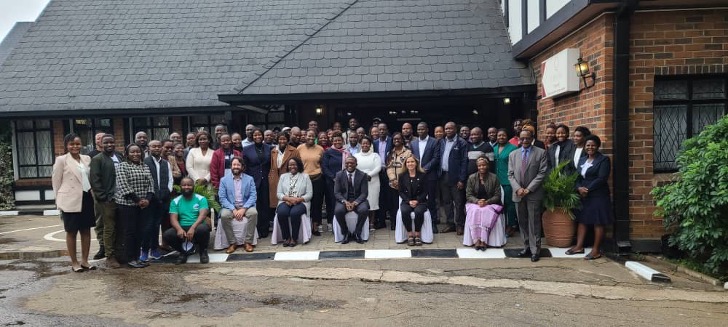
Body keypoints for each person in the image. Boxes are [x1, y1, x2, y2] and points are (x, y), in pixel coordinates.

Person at [52, 133, 95, 272]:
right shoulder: (61, 160)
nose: (75, 146)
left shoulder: (87, 159)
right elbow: (56, 182)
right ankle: (74, 262)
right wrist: (58, 201)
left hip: (86, 197)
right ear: (67, 145)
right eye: (72, 144)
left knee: (86, 230)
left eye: (77, 144)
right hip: (69, 200)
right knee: (71, 231)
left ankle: (85, 261)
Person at [567, 135, 612, 260]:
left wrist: (588, 189)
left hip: (598, 194)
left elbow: (602, 178)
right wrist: (579, 188)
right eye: (588, 145)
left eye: (593, 145)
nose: (590, 147)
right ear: (585, 147)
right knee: (582, 220)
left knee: (598, 222)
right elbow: (577, 177)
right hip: (583, 194)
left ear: (597, 146)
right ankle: (579, 246)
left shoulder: (603, 160)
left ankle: (596, 250)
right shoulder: (582, 160)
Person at [508, 130, 548, 262]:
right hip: (518, 194)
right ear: (519, 139)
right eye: (522, 138)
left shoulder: (541, 153)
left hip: (533, 194)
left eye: (527, 138)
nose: (524, 140)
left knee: (534, 222)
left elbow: (542, 173)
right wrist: (518, 188)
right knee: (522, 222)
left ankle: (535, 250)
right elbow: (510, 174)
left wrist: (529, 189)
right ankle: (526, 247)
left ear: (532, 138)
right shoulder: (513, 154)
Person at [116, 144, 154, 268]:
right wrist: (137, 200)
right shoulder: (123, 166)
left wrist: (147, 199)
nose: (136, 154)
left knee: (140, 232)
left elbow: (151, 184)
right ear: (127, 154)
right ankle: (130, 258)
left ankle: (137, 257)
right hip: (127, 204)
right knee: (130, 232)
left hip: (143, 205)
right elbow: (123, 184)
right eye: (132, 152)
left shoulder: (145, 166)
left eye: (138, 152)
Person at [89, 134, 123, 268]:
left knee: (120, 227)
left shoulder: (119, 156)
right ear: (101, 145)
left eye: (111, 142)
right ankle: (110, 256)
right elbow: (95, 180)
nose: (109, 145)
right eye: (106, 143)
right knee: (109, 228)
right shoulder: (97, 159)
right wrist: (103, 197)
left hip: (121, 198)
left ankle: (119, 252)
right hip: (107, 199)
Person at [163, 177, 211, 264]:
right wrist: (179, 229)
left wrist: (193, 227)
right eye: (184, 185)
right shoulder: (175, 201)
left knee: (203, 229)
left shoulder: (201, 199)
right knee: (167, 235)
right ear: (180, 186)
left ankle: (203, 251)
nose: (186, 187)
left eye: (189, 185)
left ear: (193, 186)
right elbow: (173, 219)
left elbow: (203, 215)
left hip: (197, 226)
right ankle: (184, 252)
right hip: (182, 227)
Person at [140, 140, 173, 262]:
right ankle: (144, 250)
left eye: (159, 146)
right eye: (154, 146)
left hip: (163, 200)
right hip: (149, 200)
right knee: (147, 226)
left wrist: (167, 192)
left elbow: (170, 180)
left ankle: (154, 249)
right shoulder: (144, 162)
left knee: (156, 226)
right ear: (149, 148)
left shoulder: (166, 163)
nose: (157, 148)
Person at [219, 157, 258, 253]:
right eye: (234, 165)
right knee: (224, 215)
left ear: (242, 167)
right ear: (231, 166)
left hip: (245, 205)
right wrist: (233, 209)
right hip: (230, 206)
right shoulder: (224, 180)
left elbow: (253, 196)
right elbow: (222, 198)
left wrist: (244, 209)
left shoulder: (249, 179)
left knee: (253, 213)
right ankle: (232, 243)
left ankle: (248, 242)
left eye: (238, 165)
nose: (236, 167)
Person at [464, 157, 502, 250]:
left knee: (485, 211)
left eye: (484, 165)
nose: (482, 167)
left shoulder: (494, 177)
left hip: (490, 203)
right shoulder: (472, 177)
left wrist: (487, 202)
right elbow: (468, 195)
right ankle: (477, 240)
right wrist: (477, 201)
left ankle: (484, 240)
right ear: (477, 166)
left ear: (488, 166)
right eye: (480, 165)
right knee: (475, 210)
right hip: (475, 203)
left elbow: (497, 195)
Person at [438, 122, 469, 235]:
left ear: (456, 129)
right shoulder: (442, 141)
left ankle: (460, 224)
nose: (448, 130)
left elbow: (464, 161)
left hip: (456, 178)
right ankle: (450, 223)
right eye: (446, 128)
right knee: (446, 201)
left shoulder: (461, 142)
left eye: (450, 128)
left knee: (459, 202)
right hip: (443, 176)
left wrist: (461, 179)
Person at [276, 157, 313, 247]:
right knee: (281, 212)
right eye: (290, 165)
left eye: (294, 164)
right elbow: (279, 193)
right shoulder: (283, 177)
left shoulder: (305, 176)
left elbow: (309, 194)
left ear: (298, 165)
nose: (292, 166)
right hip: (286, 201)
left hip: (301, 202)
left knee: (294, 213)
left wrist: (298, 199)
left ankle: (294, 238)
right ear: (288, 166)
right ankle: (286, 237)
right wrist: (288, 199)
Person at [410, 122, 440, 233]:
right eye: (418, 129)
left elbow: (436, 158)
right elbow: (412, 158)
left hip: (430, 175)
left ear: (427, 129)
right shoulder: (413, 143)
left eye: (423, 129)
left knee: (431, 199)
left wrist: (425, 169)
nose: (420, 131)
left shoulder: (434, 142)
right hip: (417, 175)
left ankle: (433, 223)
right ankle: (419, 222)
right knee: (419, 198)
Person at [333, 157, 370, 244]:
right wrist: (345, 202)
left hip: (358, 200)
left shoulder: (362, 175)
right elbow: (337, 193)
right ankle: (345, 233)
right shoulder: (339, 175)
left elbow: (364, 193)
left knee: (364, 210)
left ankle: (357, 233)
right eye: (347, 163)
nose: (349, 165)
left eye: (352, 163)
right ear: (344, 164)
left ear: (356, 164)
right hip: (344, 200)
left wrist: (355, 202)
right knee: (338, 211)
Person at [243, 129, 272, 238]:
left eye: (259, 134)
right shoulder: (246, 149)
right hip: (252, 180)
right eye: (255, 135)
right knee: (255, 205)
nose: (257, 137)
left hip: (266, 180)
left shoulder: (269, 148)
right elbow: (245, 167)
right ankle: (256, 228)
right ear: (252, 136)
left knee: (265, 204)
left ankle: (265, 229)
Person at [297, 130, 325, 234]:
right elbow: (297, 163)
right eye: (309, 136)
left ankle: (315, 226)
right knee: (304, 202)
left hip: (317, 179)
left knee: (317, 204)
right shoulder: (300, 148)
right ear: (305, 136)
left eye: (313, 136)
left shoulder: (320, 149)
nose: (311, 138)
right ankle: (305, 226)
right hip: (304, 179)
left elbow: (323, 163)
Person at [269, 132, 300, 224]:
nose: (282, 141)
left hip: (289, 178)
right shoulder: (274, 151)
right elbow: (272, 166)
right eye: (280, 139)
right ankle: (277, 224)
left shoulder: (294, 151)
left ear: (288, 140)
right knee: (276, 201)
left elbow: (298, 165)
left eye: (284, 139)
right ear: (277, 140)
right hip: (275, 179)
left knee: (287, 200)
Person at [398, 156, 428, 246]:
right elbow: (401, 192)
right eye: (408, 162)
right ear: (405, 164)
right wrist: (408, 201)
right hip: (407, 200)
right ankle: (410, 234)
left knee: (419, 211)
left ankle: (417, 234)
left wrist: (417, 201)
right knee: (405, 211)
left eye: (412, 162)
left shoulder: (423, 175)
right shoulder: (402, 176)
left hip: (420, 201)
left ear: (416, 163)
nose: (410, 164)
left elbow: (425, 191)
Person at [353, 136, 381, 231]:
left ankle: (371, 223)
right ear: (360, 144)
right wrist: (362, 177)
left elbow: (378, 167)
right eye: (363, 143)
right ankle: (363, 222)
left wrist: (368, 175)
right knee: (361, 201)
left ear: (370, 145)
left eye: (367, 143)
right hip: (360, 182)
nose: (365, 145)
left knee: (372, 202)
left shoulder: (375, 155)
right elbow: (354, 167)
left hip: (373, 181)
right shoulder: (356, 156)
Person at [494, 129, 518, 236]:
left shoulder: (513, 148)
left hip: (508, 180)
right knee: (498, 204)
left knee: (509, 204)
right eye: (499, 135)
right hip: (496, 181)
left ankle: (511, 225)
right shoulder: (494, 148)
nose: (501, 137)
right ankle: (500, 225)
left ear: (507, 136)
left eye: (503, 135)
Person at [322, 132, 348, 233]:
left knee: (343, 201)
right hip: (331, 181)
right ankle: (332, 224)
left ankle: (343, 224)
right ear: (332, 141)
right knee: (332, 203)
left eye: (339, 140)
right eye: (335, 140)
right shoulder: (328, 152)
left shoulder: (346, 152)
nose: (337, 142)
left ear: (343, 141)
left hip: (344, 181)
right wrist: (333, 178)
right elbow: (325, 167)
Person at [373, 123, 393, 229]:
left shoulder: (391, 141)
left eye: (383, 130)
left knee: (390, 196)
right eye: (379, 130)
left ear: (386, 130)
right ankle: (381, 221)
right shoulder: (374, 142)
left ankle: (393, 221)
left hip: (389, 171)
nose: (381, 131)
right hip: (378, 172)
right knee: (380, 197)